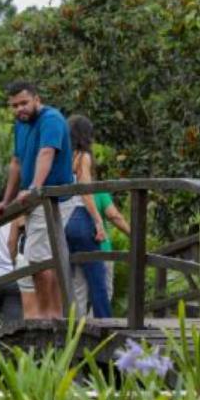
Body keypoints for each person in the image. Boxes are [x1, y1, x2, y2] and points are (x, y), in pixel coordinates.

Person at [0, 81, 79, 318]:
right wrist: (6, 201)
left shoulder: (51, 119)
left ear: (36, 99)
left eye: (24, 103)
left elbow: (47, 152)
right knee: (43, 258)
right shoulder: (21, 126)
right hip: (36, 200)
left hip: (53, 198)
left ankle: (49, 316)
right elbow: (16, 163)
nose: (19, 109)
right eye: (14, 105)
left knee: (37, 258)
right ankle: (52, 315)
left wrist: (34, 188)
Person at [64, 115, 111, 319]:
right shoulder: (83, 156)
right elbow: (85, 190)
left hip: (62, 219)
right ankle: (105, 325)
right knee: (97, 279)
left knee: (73, 281)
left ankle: (74, 329)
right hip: (80, 218)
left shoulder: (62, 157)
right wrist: (98, 221)